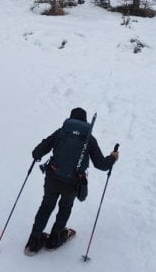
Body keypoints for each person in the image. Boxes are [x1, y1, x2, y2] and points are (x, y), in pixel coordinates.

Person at [25, 107, 118, 253]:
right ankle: (54, 240)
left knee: (46, 206)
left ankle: (33, 242)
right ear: (85, 121)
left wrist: (38, 155)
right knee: (65, 208)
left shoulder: (61, 132)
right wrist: (113, 157)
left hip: (53, 177)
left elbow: (37, 152)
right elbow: (101, 165)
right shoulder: (89, 140)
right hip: (73, 182)